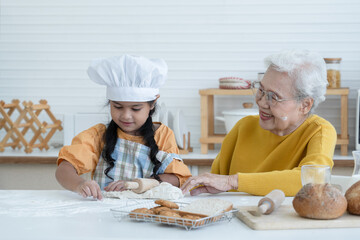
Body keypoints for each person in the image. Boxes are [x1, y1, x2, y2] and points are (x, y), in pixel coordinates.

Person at [181, 49, 337, 197]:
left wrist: (233, 182)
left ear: (305, 105)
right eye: (261, 90)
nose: (261, 102)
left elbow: (312, 180)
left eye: (273, 97)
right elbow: (215, 183)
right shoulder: (244, 127)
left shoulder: (320, 131)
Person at [56, 54, 191, 200]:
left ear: (152, 104)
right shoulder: (98, 135)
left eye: (136, 108)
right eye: (118, 107)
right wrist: (80, 184)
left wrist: (135, 184)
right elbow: (64, 170)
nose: (126, 115)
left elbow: (178, 178)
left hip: (147, 212)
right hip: (104, 212)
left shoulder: (162, 135)